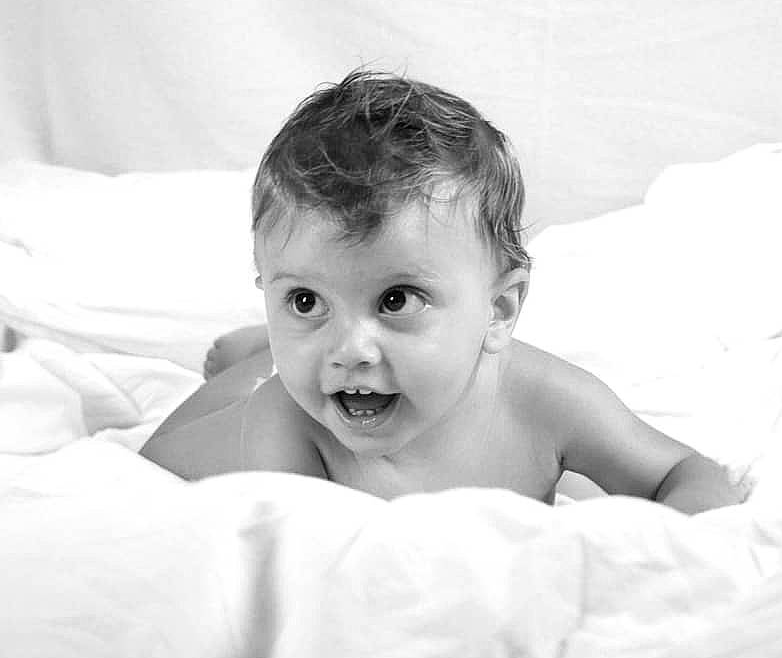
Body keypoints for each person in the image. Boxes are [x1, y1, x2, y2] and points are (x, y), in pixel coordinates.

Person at [140, 68, 742, 512]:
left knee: (310, 360)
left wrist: (675, 547)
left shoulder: (547, 402)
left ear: (498, 310)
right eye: (305, 301)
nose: (351, 348)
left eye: (396, 300)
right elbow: (302, 567)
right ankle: (255, 360)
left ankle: (267, 347)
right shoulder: (288, 423)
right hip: (228, 426)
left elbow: (686, 473)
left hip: (304, 377)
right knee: (252, 397)